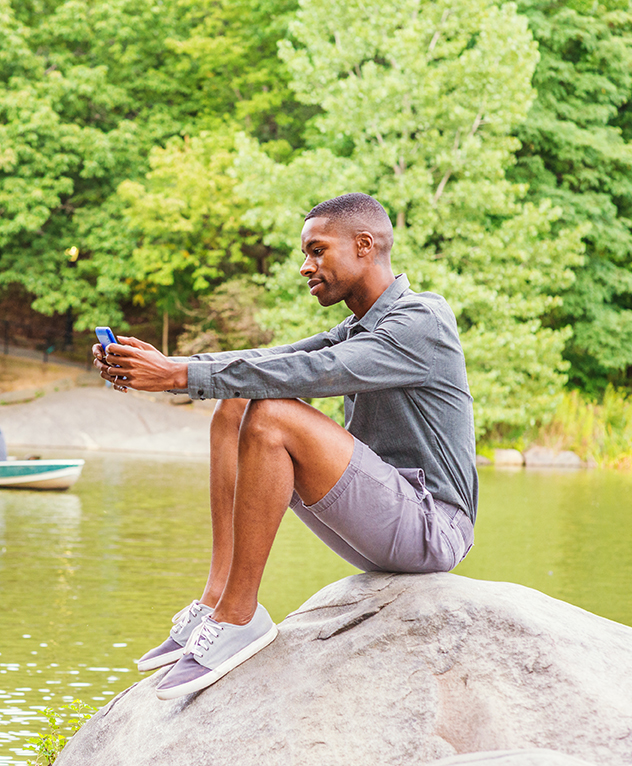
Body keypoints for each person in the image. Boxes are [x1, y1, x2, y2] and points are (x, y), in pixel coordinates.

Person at [91, 192, 478, 701]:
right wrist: (169, 365)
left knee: (271, 415)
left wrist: (176, 375)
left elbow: (316, 372)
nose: (305, 266)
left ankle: (239, 616)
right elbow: (270, 359)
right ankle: (216, 600)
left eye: (318, 251)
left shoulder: (420, 321)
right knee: (235, 402)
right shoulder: (358, 327)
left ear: (364, 246)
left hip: (434, 528)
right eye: (306, 253)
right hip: (387, 515)